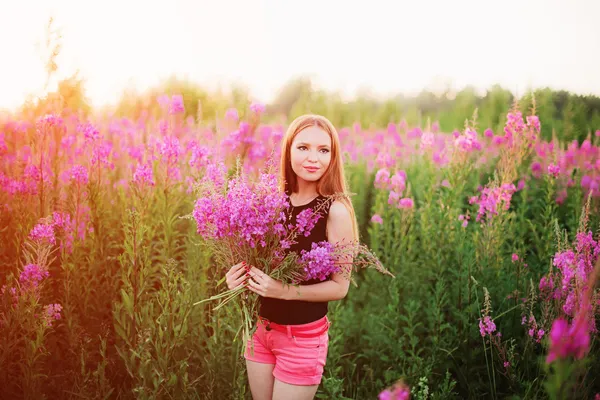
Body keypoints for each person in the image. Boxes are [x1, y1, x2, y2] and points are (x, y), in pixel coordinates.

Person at [224, 114, 359, 400]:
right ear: (288, 149)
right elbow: (256, 263)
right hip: (260, 331)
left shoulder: (335, 210)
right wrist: (237, 277)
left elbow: (340, 287)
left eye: (324, 150)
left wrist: (284, 291)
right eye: (303, 147)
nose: (314, 158)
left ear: (333, 157)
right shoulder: (271, 202)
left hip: (302, 339)